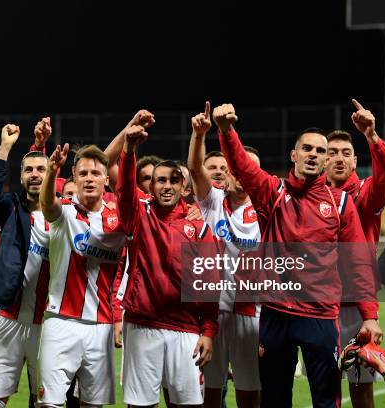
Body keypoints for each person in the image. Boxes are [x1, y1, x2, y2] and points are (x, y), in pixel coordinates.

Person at [212, 102, 382, 408]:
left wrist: (370, 316)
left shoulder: (340, 203)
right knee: (275, 401)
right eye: (307, 148)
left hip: (319, 317)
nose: (314, 154)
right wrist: (226, 130)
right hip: (276, 314)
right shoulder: (273, 193)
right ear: (295, 155)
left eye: (321, 151)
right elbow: (242, 166)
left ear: (326, 159)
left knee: (326, 402)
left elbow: (357, 263)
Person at [116, 123, 219, 407]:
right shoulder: (139, 214)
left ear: (185, 188)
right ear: (150, 186)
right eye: (160, 180)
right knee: (140, 405)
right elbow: (124, 191)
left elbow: (209, 286)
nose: (167, 186)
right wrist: (129, 151)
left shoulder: (199, 229)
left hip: (186, 330)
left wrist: (208, 332)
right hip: (142, 325)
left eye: (174, 181)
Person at [37, 143, 126, 407]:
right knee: (50, 403)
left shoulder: (118, 220)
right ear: (74, 178)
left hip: (101, 326)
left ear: (106, 180)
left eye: (96, 173)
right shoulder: (64, 211)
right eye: (83, 173)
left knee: (92, 403)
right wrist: (52, 170)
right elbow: (46, 204)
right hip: (60, 321)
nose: (89, 178)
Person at [188, 102, 261, 408]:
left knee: (249, 392)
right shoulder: (212, 201)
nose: (242, 174)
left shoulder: (267, 207)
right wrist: (199, 134)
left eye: (250, 168)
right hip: (210, 310)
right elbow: (194, 168)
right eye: (237, 168)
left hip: (251, 311)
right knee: (209, 392)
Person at [324, 99, 385, 408]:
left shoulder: (365, 193)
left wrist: (372, 137)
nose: (339, 158)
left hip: (356, 307)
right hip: (320, 306)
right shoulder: (312, 197)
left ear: (354, 162)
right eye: (332, 152)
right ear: (323, 160)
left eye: (346, 153)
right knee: (324, 387)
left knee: (361, 390)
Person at [0, 120, 53, 408]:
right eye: (28, 170)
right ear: (21, 177)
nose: (35, 175)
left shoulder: (65, 215)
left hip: (48, 324)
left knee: (46, 399)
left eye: (41, 170)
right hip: (9, 319)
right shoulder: (11, 208)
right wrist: (6, 146)